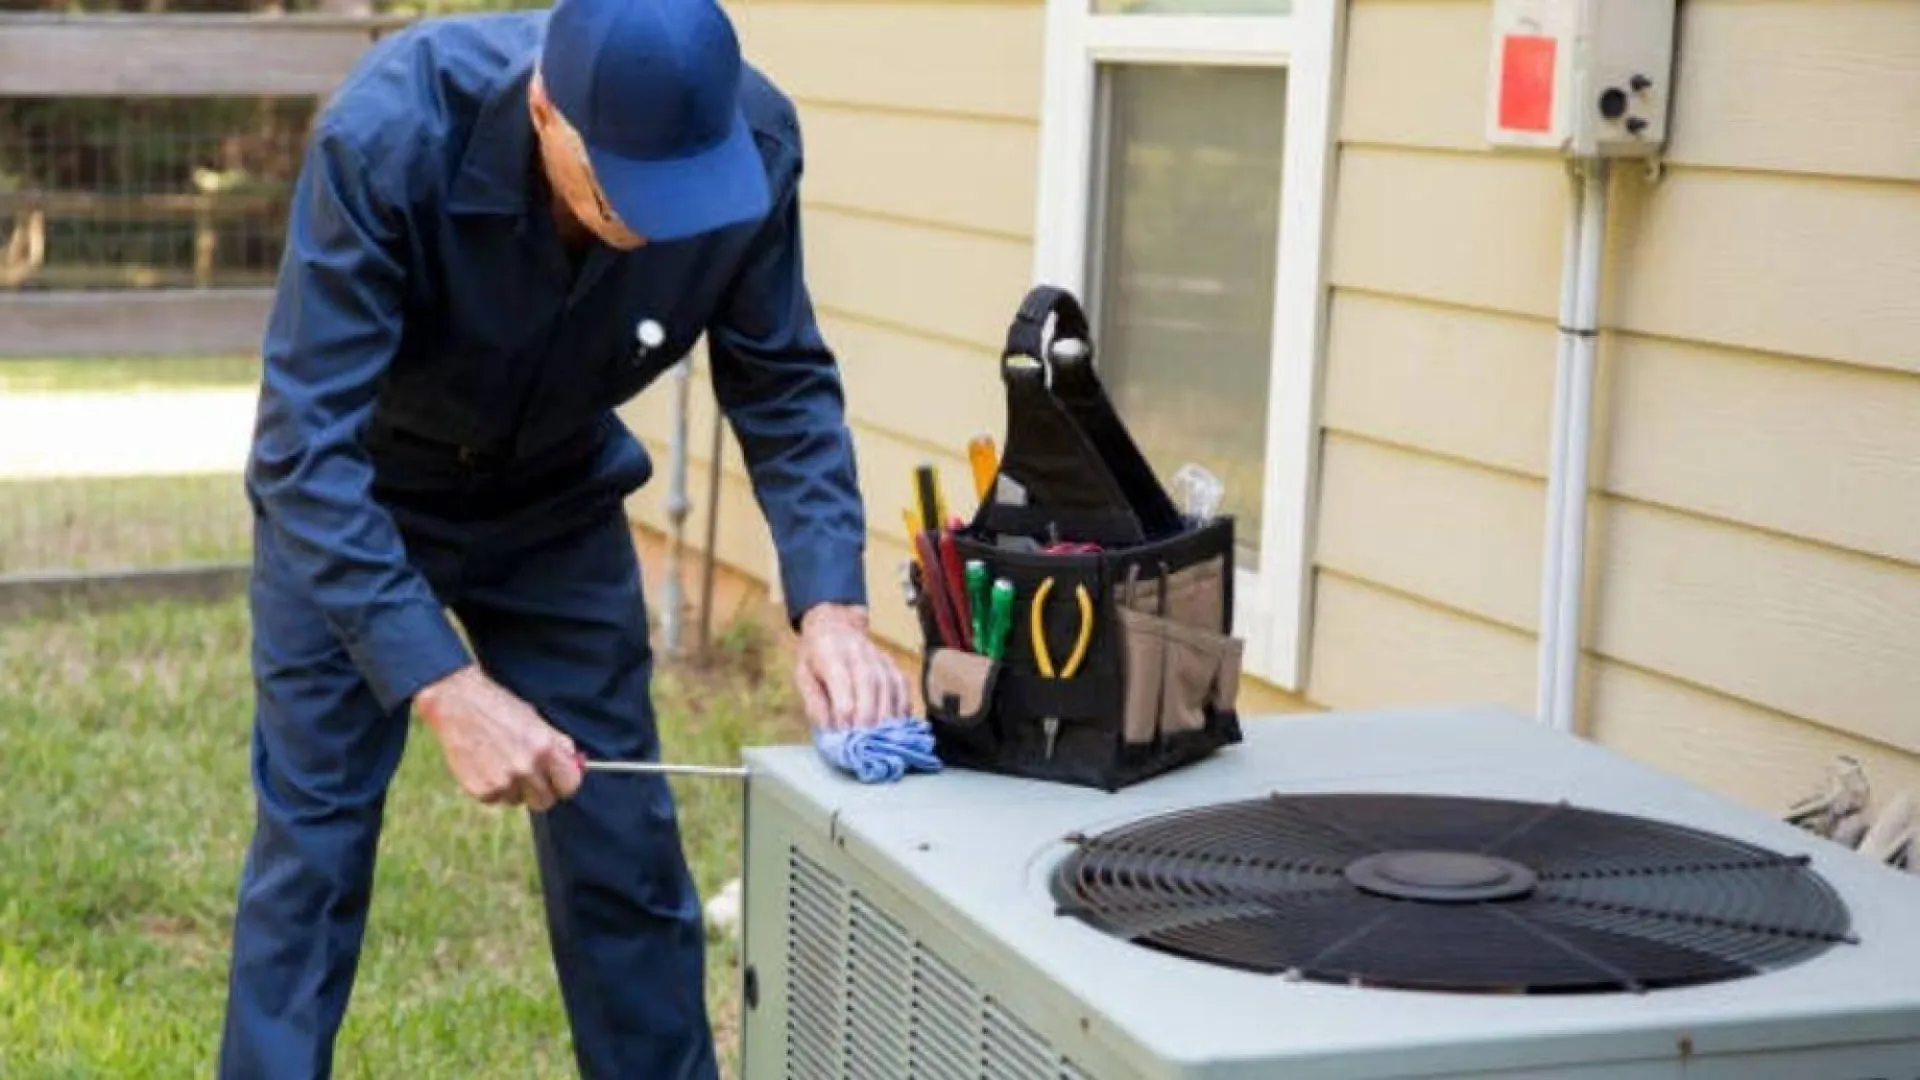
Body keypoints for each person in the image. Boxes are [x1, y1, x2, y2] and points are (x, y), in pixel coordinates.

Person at [216, 0, 910, 1075]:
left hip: (555, 499)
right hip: (364, 500)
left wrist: (832, 607)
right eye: (621, 187)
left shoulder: (756, 143)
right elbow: (304, 450)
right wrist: (442, 684)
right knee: (314, 854)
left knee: (620, 845)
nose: (652, 224)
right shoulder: (389, 136)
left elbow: (781, 380)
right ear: (547, 108)